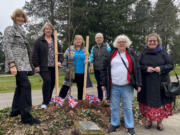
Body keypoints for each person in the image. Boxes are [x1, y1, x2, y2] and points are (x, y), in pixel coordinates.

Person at [3, 9, 40, 125]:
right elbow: (7, 46)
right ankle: (26, 117)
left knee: (20, 87)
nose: (20, 19)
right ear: (14, 17)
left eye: (22, 17)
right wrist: (12, 64)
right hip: (17, 64)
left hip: (24, 64)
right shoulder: (10, 29)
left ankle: (15, 111)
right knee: (26, 86)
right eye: (18, 16)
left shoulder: (22, 31)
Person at [101, 35, 142, 134]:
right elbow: (104, 69)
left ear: (127, 43)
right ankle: (115, 124)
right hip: (113, 85)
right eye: (119, 42)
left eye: (123, 41)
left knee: (127, 107)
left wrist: (139, 84)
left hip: (127, 85)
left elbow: (137, 69)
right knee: (114, 106)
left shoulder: (131, 54)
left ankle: (130, 126)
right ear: (116, 44)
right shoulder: (111, 54)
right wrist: (103, 83)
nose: (121, 43)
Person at [138, 33, 174, 131]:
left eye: (154, 41)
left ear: (158, 42)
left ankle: (159, 123)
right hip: (147, 83)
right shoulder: (143, 53)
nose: (152, 42)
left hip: (161, 83)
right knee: (147, 102)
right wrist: (146, 68)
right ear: (147, 42)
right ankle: (149, 121)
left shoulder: (163, 52)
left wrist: (161, 68)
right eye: (150, 41)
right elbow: (137, 66)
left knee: (162, 103)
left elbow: (171, 65)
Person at [32, 23, 63, 109]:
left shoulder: (55, 40)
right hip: (43, 66)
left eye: (50, 29)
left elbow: (60, 52)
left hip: (53, 66)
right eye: (46, 29)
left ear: (52, 30)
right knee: (47, 81)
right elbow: (34, 54)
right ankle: (45, 102)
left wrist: (60, 61)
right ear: (44, 30)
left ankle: (48, 100)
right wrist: (36, 65)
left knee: (52, 83)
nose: (48, 30)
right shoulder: (39, 41)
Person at [59, 35, 88, 100]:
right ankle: (60, 100)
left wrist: (87, 61)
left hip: (82, 72)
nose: (78, 41)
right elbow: (64, 58)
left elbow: (88, 59)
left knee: (81, 89)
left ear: (82, 41)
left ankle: (80, 103)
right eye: (76, 39)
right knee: (65, 87)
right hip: (71, 71)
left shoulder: (85, 49)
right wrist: (65, 69)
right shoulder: (70, 49)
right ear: (74, 41)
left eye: (80, 39)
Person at [89, 33, 111, 100]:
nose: (99, 39)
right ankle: (100, 99)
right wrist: (88, 61)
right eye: (97, 37)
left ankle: (108, 99)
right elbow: (91, 57)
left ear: (103, 39)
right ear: (95, 39)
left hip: (105, 70)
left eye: (100, 37)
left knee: (107, 84)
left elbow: (110, 56)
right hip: (97, 69)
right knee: (99, 85)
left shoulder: (107, 46)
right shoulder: (93, 48)